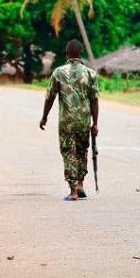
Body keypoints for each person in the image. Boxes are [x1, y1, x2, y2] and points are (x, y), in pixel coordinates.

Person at [40, 39, 99, 201]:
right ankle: (80, 185)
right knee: (82, 151)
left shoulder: (58, 72)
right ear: (81, 53)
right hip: (83, 121)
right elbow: (94, 100)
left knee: (68, 152)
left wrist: (44, 117)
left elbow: (49, 97)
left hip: (66, 121)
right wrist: (95, 124)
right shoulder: (90, 73)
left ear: (67, 53)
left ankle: (73, 191)